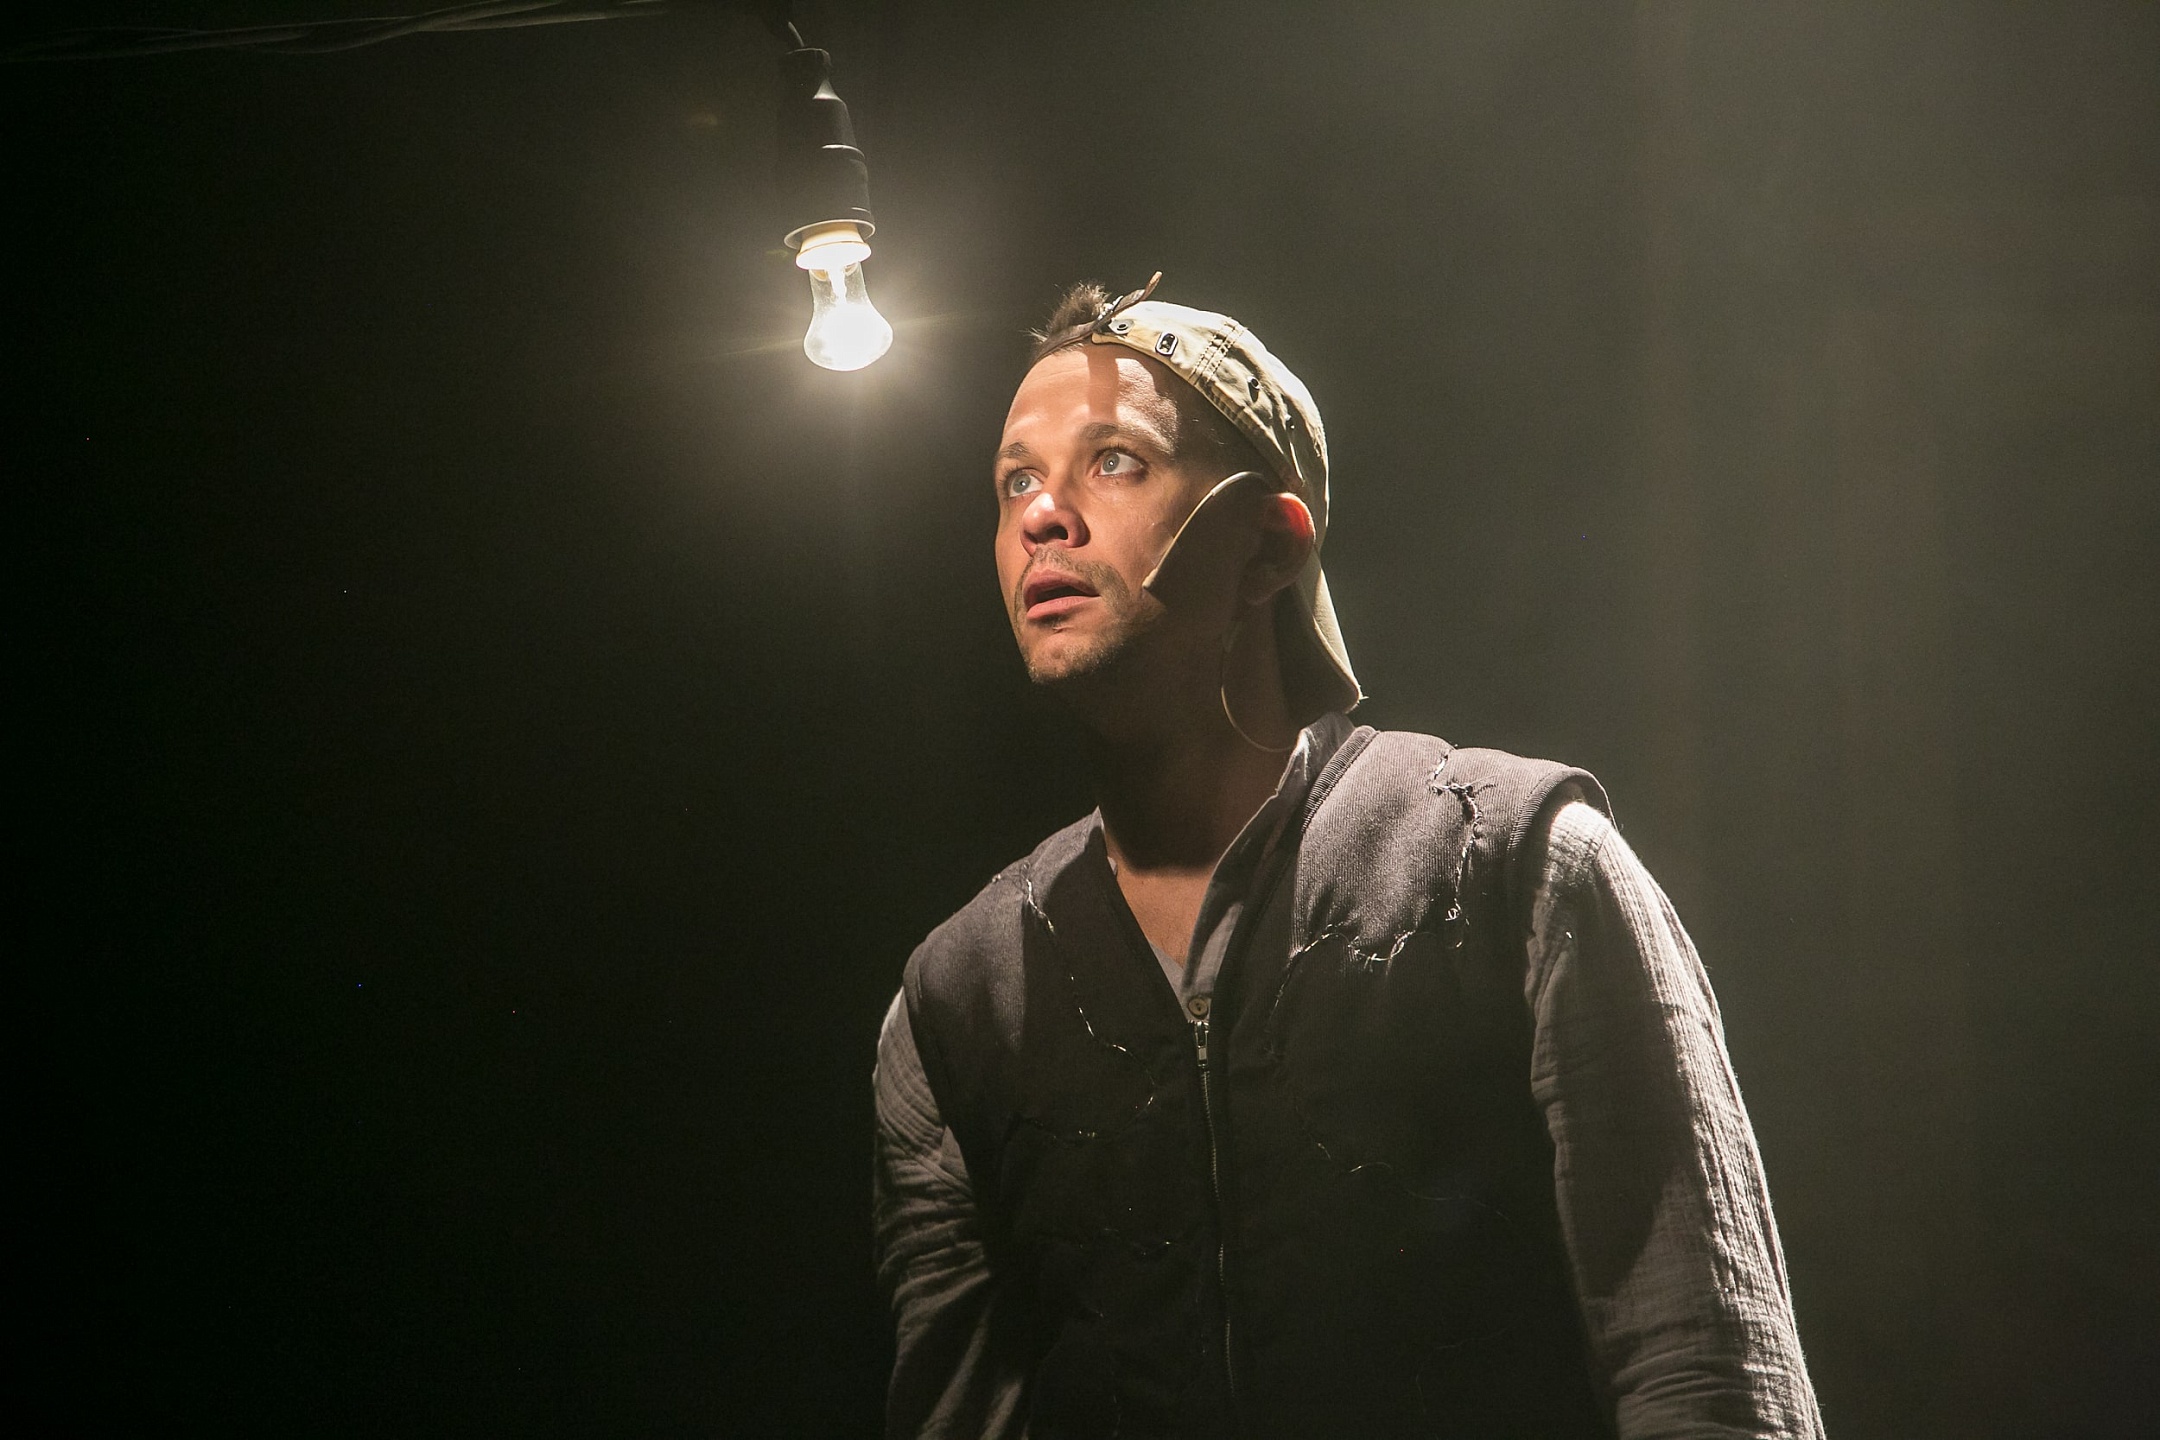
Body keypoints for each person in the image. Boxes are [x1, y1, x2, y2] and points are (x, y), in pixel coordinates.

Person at [871, 275, 1824, 1439]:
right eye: (1017, 480)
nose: (1042, 517)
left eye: (1114, 462)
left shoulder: (1517, 867)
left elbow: (1707, 1380)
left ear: (1270, 547)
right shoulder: (958, 1001)